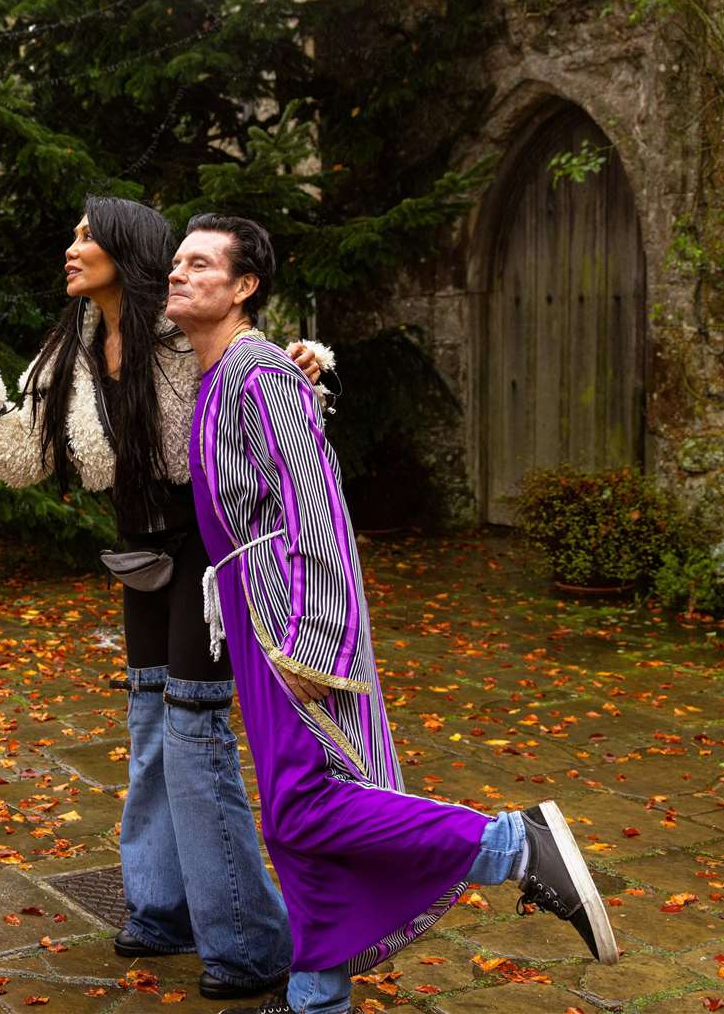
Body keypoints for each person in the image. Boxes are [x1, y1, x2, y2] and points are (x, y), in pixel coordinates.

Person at [163, 213, 619, 1014]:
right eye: (176, 262)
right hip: (251, 604)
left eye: (200, 264)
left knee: (307, 801)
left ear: (243, 288)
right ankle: (315, 993)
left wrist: (313, 638)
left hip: (290, 614)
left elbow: (317, 505)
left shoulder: (257, 374)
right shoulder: (220, 377)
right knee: (290, 815)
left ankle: (513, 845)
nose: (178, 273)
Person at [0, 196, 326, 1002]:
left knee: (193, 733)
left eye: (88, 237)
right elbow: (24, 462)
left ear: (126, 249)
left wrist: (304, 367)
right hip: (140, 557)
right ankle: (160, 908)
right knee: (151, 727)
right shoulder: (68, 355)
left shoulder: (181, 336)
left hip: (212, 557)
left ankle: (252, 943)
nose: (73, 248)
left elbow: (266, 407)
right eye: (74, 233)